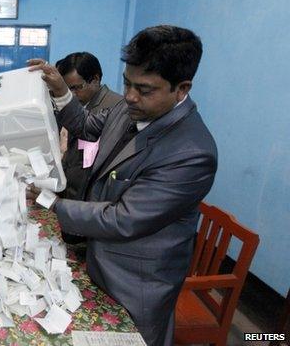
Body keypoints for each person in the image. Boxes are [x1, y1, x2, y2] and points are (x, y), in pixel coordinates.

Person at [28, 25, 218, 346]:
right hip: (97, 258)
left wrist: (50, 201)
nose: (130, 95)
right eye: (127, 82)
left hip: (135, 282)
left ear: (182, 89)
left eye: (144, 89)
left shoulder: (191, 153)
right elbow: (87, 127)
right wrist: (62, 90)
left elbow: (123, 219)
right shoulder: (128, 106)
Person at [57, 52, 123, 201]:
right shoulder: (74, 105)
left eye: (76, 88)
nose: (72, 95)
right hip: (70, 191)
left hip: (90, 197)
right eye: (67, 89)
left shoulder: (115, 108)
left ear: (95, 79)